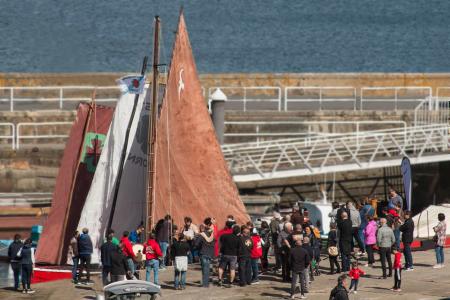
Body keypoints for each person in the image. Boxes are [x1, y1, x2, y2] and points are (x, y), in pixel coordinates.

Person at [195, 218, 215, 287]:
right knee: (207, 268)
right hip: (210, 253)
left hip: (203, 252)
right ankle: (207, 283)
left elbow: (196, 244)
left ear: (206, 225)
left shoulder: (202, 234)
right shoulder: (212, 234)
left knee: (204, 269)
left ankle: (205, 284)